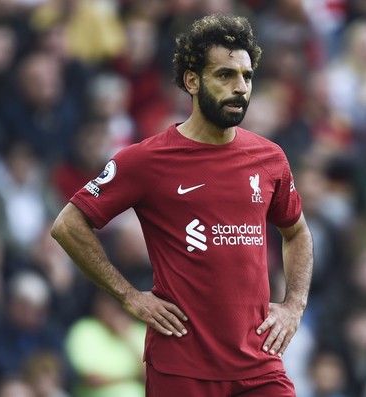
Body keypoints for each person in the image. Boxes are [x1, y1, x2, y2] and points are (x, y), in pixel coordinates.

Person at [51, 14, 313, 397]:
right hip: (182, 369)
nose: (240, 87)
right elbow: (68, 225)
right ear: (192, 81)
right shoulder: (145, 161)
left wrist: (294, 305)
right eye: (225, 75)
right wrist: (130, 296)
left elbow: (297, 232)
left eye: (247, 76)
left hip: (258, 365)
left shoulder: (269, 157)